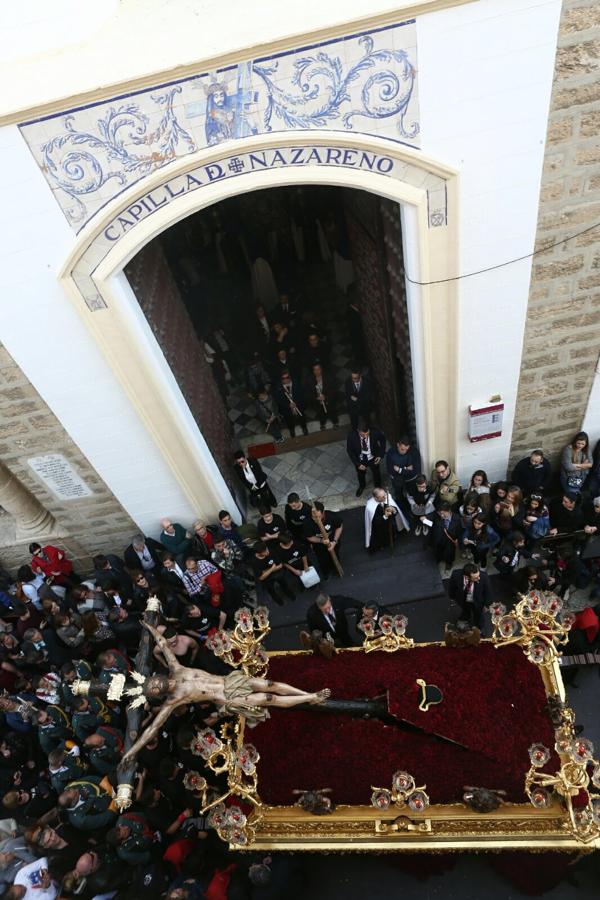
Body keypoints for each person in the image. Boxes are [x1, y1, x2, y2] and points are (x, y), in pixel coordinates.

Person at [303, 502, 343, 579]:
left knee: (336, 556)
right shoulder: (307, 522)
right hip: (319, 546)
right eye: (314, 517)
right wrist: (321, 541)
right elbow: (309, 537)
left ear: (323, 513)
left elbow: (339, 526)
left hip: (333, 542)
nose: (316, 519)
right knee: (322, 560)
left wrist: (334, 542)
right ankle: (326, 572)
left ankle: (336, 569)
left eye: (318, 517)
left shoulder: (332, 516)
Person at [346, 419, 386, 497]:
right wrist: (357, 464)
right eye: (363, 435)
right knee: (360, 474)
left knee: (376, 473)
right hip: (360, 459)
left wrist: (380, 455)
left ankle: (378, 487)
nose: (365, 436)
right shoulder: (351, 436)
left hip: (373, 457)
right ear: (358, 431)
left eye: (367, 434)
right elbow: (350, 451)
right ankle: (362, 486)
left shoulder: (375, 432)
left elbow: (383, 441)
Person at [447, 563, 491, 628]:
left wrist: (487, 605)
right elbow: (452, 587)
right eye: (475, 578)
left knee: (478, 615)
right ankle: (465, 618)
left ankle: (479, 628)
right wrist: (452, 597)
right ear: (466, 577)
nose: (479, 578)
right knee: (465, 610)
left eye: (478, 575)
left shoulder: (484, 577)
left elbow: (488, 592)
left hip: (477, 601)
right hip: (463, 599)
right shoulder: (456, 575)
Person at [364, 488, 408, 552]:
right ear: (376, 498)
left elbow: (395, 511)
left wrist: (393, 509)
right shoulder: (370, 507)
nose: (385, 497)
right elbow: (375, 521)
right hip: (379, 528)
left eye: (385, 495)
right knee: (382, 537)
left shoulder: (387, 498)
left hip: (389, 524)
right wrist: (385, 516)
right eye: (383, 497)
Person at [251, 542, 295, 606]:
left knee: (285, 585)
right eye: (264, 552)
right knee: (272, 592)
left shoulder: (270, 551)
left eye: (266, 549)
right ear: (258, 553)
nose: (267, 552)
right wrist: (272, 568)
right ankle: (280, 602)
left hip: (278, 574)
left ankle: (291, 596)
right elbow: (261, 577)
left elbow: (280, 565)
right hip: (268, 579)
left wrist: (265, 571)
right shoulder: (254, 561)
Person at [430, 501, 461, 575]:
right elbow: (431, 524)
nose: (442, 515)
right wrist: (424, 520)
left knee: (449, 552)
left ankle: (449, 563)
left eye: (444, 513)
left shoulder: (457, 518)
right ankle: (439, 559)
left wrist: (457, 539)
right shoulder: (436, 516)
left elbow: (459, 530)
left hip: (450, 540)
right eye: (440, 513)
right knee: (439, 550)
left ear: (449, 511)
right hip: (439, 538)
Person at [275, 371, 308, 437]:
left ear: (290, 377)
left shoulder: (297, 383)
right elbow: (278, 400)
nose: (285, 379)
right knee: (289, 420)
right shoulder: (278, 387)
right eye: (283, 378)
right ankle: (292, 430)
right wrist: (288, 405)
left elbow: (303, 395)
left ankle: (304, 428)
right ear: (281, 379)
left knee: (302, 418)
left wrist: (297, 403)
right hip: (287, 408)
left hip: (298, 406)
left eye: (287, 377)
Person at [308, 363, 338, 430]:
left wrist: (326, 397)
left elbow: (333, 390)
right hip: (318, 402)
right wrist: (316, 398)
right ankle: (322, 424)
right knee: (321, 414)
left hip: (329, 399)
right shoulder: (310, 379)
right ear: (313, 371)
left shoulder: (328, 377)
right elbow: (309, 393)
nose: (317, 371)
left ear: (321, 370)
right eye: (315, 370)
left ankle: (335, 422)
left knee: (332, 411)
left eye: (318, 369)